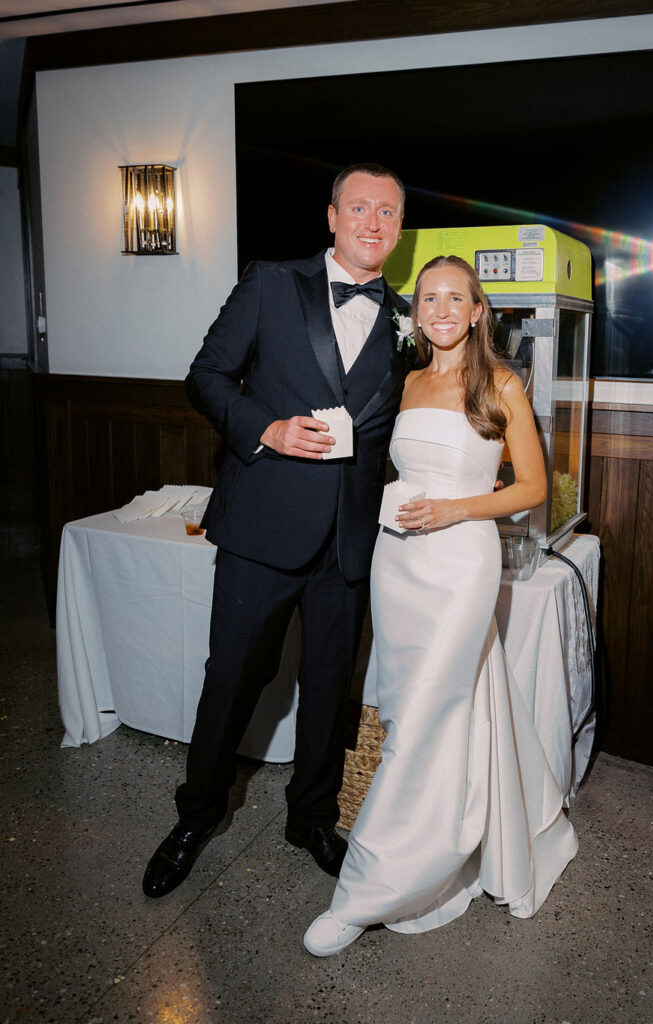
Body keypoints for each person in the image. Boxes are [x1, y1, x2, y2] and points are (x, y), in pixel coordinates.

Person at [142, 163, 414, 898]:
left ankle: (312, 818)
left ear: (398, 227)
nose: (372, 223)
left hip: (349, 542)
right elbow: (205, 376)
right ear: (331, 216)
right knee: (231, 682)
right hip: (263, 529)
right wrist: (264, 427)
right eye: (358, 207)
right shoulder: (271, 281)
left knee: (329, 691)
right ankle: (195, 818)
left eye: (387, 213)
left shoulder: (405, 315)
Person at [303, 255, 578, 956]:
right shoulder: (407, 380)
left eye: (457, 297)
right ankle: (476, 827)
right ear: (416, 311)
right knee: (410, 709)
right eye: (430, 298)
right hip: (398, 565)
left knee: (423, 714)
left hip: (461, 567)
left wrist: (455, 510)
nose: (443, 308)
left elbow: (532, 490)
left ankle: (367, 890)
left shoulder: (502, 384)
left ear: (478, 309)